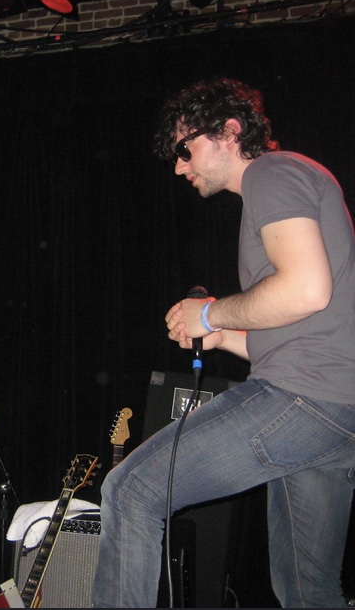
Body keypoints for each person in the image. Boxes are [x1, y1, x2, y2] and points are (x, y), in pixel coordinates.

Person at [92, 77, 355, 608]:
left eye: (185, 150)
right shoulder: (290, 181)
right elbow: (299, 328)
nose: (179, 168)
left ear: (229, 132)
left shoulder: (272, 173)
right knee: (307, 592)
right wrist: (222, 336)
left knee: (132, 489)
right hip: (336, 410)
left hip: (304, 399)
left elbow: (306, 290)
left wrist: (210, 312)